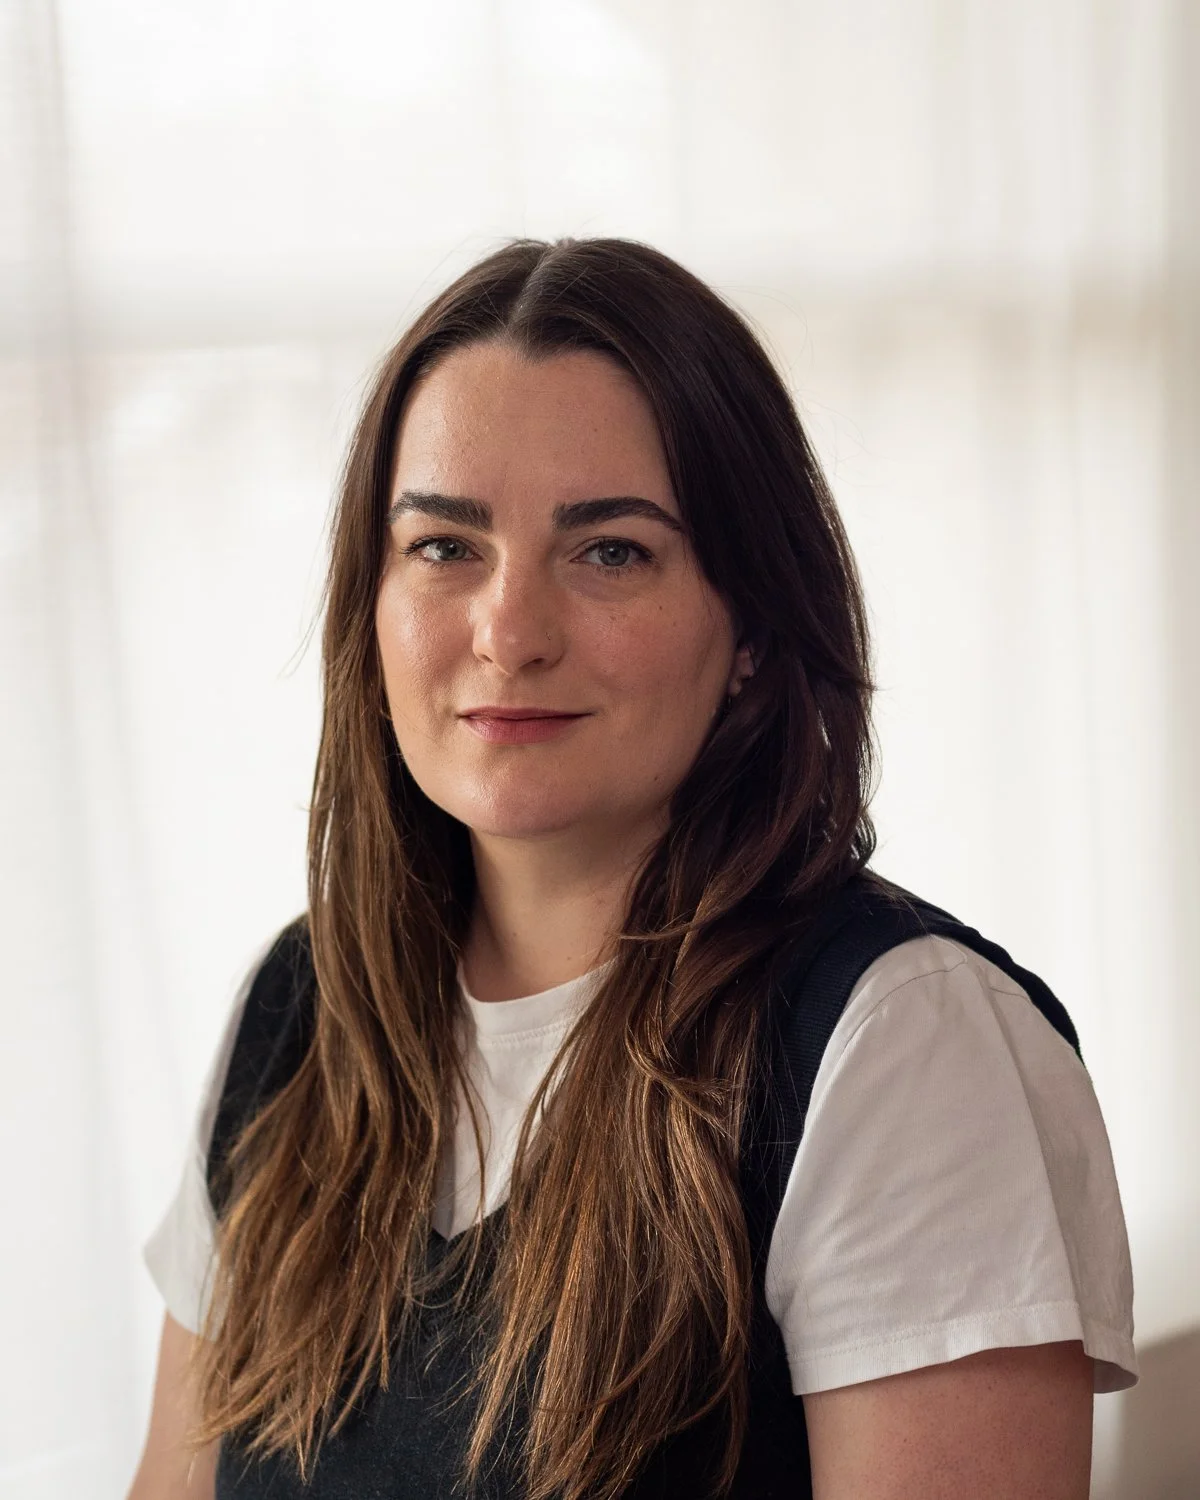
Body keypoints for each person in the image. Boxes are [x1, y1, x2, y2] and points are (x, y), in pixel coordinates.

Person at [127, 237, 1137, 1500]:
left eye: (611, 551)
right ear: (369, 603)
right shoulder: (300, 1007)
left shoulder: (902, 1046)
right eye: (446, 546)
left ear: (756, 628)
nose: (511, 632)